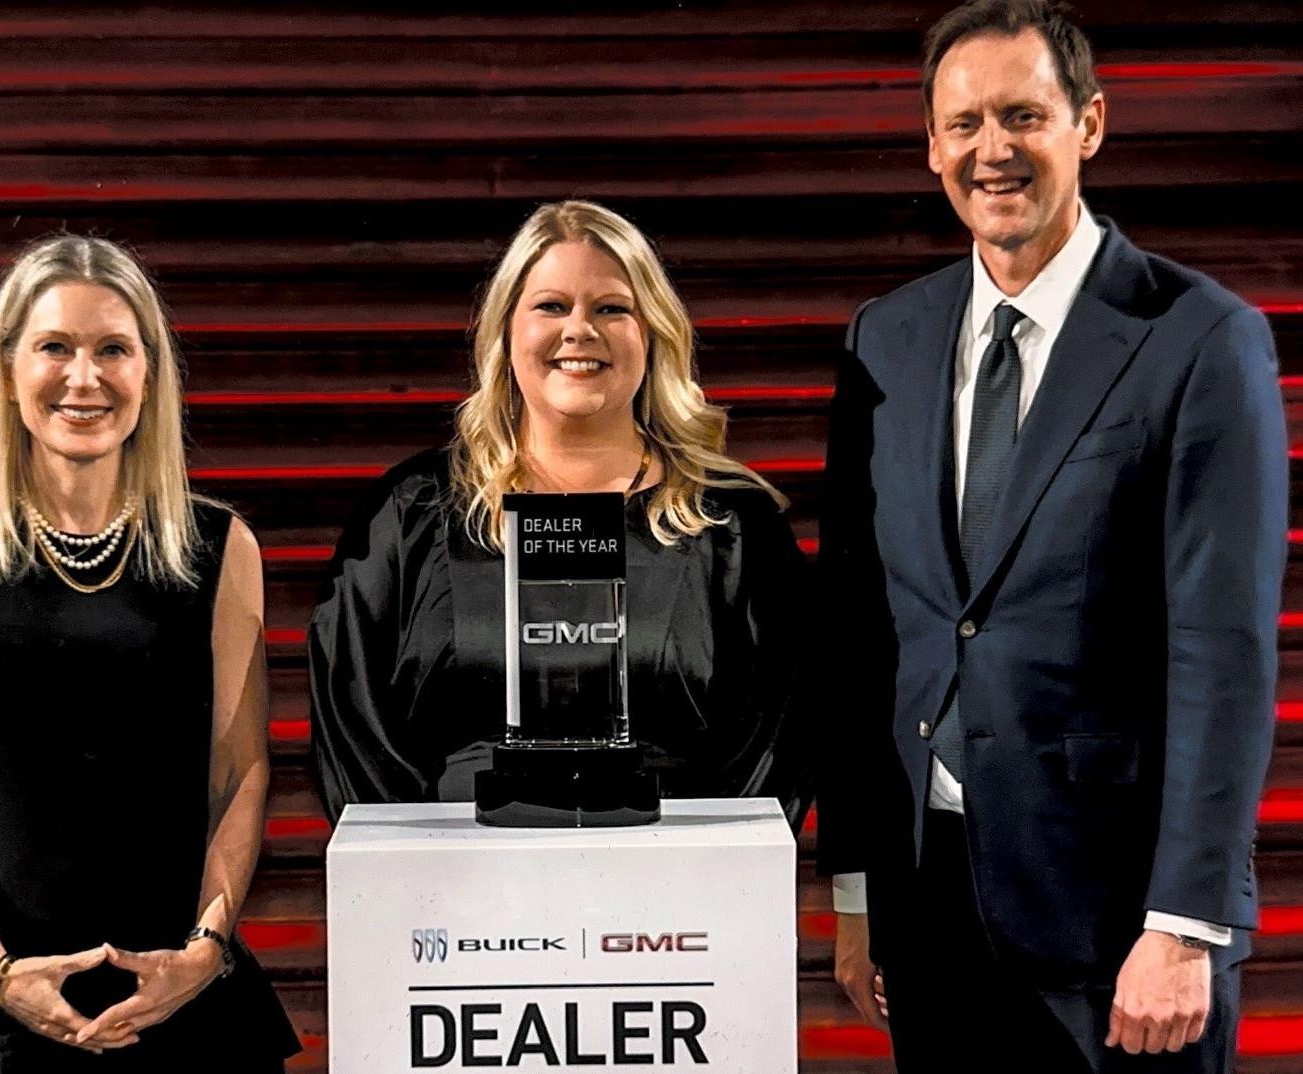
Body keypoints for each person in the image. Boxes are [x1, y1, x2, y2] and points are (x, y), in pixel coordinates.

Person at [818, 2, 1286, 1071]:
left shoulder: (1201, 339)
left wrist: (1185, 924)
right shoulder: (884, 337)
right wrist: (855, 887)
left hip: (1118, 925)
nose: (993, 150)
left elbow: (1225, 652)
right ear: (932, 145)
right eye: (965, 122)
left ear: (1091, 123)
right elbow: (862, 630)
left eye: (1023, 115)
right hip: (928, 906)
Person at [0, 236, 300, 1072]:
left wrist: (204, 951)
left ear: (150, 372)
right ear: (9, 369)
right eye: (55, 348)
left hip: (184, 1003)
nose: (85, 378)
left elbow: (243, 772)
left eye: (113, 348)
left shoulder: (220, 550)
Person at [308, 199, 813, 827]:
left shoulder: (733, 523)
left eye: (612, 308)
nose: (580, 330)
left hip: (675, 899)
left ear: (653, 333)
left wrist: (700, 876)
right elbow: (353, 727)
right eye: (551, 306)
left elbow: (776, 738)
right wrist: (421, 876)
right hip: (453, 898)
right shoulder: (411, 510)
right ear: (506, 332)